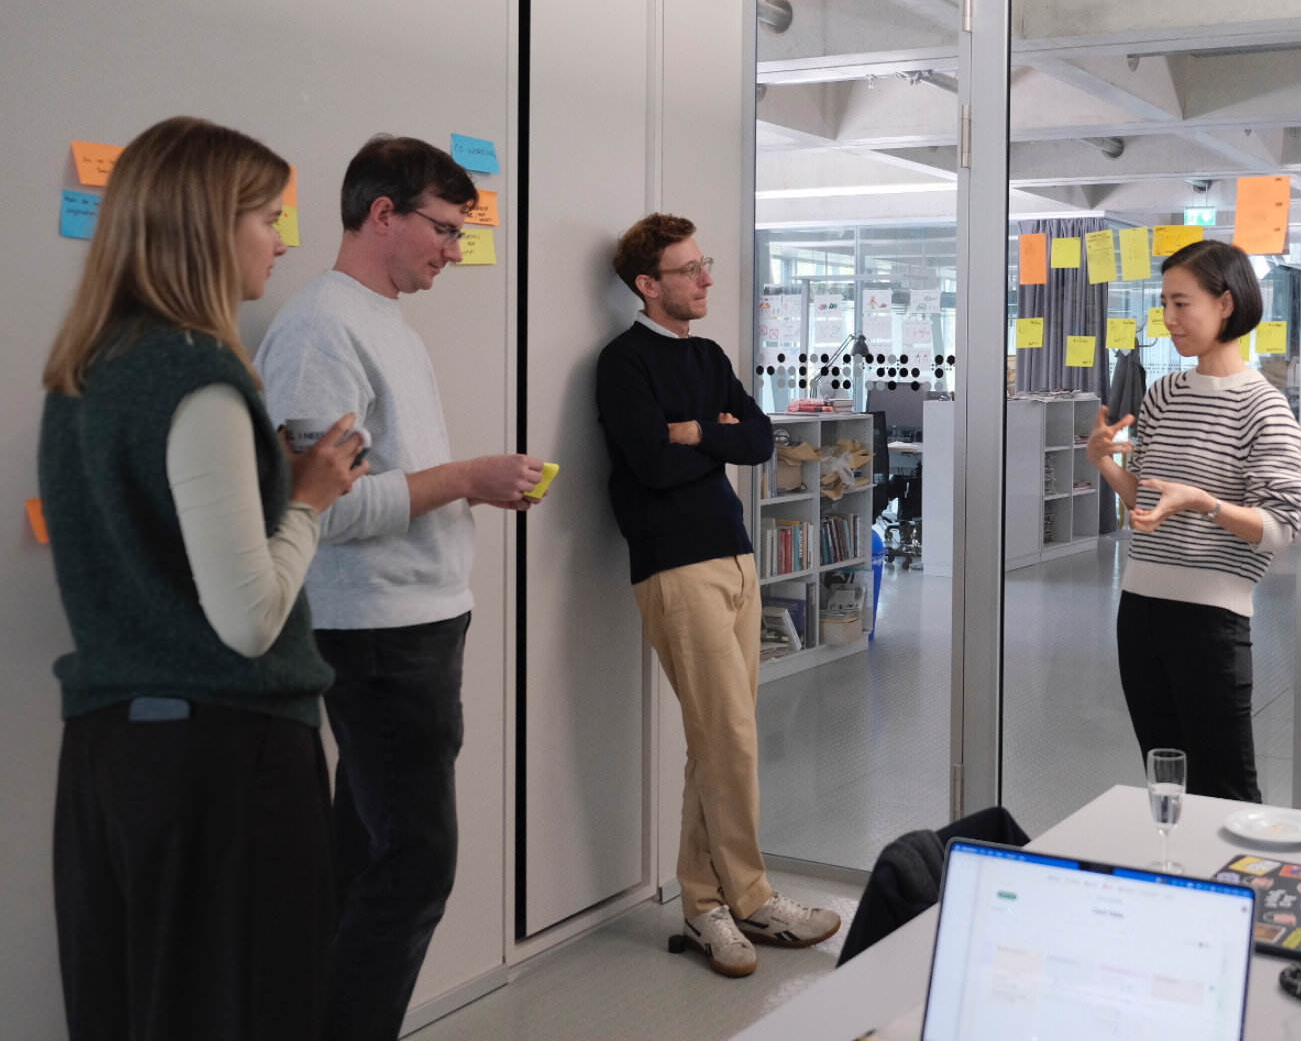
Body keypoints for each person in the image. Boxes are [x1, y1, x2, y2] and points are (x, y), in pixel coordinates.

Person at [39, 115, 366, 1040]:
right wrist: (307, 498)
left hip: (112, 756)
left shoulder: (84, 371)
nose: (280, 240)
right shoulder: (201, 377)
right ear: (206, 227)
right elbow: (252, 617)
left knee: (135, 1005)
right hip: (225, 767)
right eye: (267, 217)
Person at [256, 136, 546, 1040]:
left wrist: (471, 481)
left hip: (419, 623)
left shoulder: (384, 321)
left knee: (369, 856)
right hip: (375, 632)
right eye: (445, 230)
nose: (454, 252)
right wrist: (466, 478)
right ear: (382, 214)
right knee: (415, 865)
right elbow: (323, 511)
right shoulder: (317, 329)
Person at [596, 213, 841, 977]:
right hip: (674, 566)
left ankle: (706, 906)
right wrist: (714, 436)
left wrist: (695, 434)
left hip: (737, 558)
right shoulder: (623, 363)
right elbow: (647, 465)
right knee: (729, 736)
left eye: (705, 264)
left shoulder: (706, 354)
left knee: (718, 739)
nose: (706, 279)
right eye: (689, 269)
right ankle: (750, 896)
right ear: (648, 284)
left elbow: (761, 441)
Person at [1087, 240, 1301, 802]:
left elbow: (1280, 527)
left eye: (1182, 303)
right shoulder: (1163, 394)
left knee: (1226, 787)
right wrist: (1104, 463)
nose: (1169, 319)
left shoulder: (1264, 406)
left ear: (1227, 304)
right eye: (1164, 303)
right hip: (1138, 610)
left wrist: (1206, 503)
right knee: (1166, 778)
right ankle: (1178, 884)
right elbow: (1147, 499)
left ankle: (1238, 889)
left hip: (1211, 620)